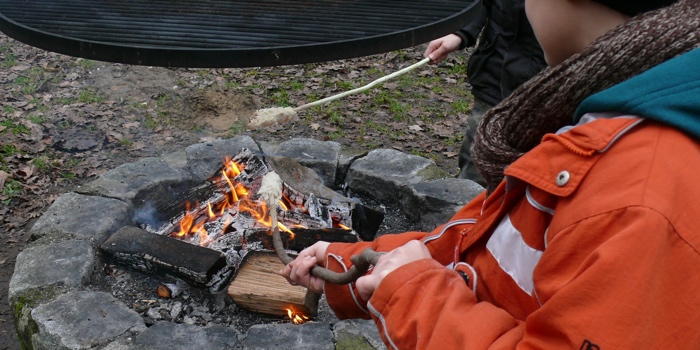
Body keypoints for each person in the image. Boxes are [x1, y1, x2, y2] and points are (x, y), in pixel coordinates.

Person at [282, 0, 700, 348]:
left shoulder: (641, 192)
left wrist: (413, 293)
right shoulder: (598, 128)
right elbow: (482, 249)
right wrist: (351, 264)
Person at [424, 0, 547, 186]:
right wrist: (460, 32)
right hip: (493, 79)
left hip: (548, 94)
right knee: (475, 167)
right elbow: (482, 3)